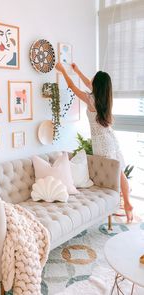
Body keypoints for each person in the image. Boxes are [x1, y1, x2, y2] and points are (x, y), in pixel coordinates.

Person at [55, 62, 133, 223]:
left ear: (97, 86)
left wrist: (63, 70)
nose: (90, 82)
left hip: (102, 143)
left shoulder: (90, 99)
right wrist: (77, 71)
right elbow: (89, 84)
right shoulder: (104, 99)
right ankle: (127, 202)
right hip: (111, 139)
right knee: (120, 173)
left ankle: (125, 203)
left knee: (116, 174)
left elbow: (71, 86)